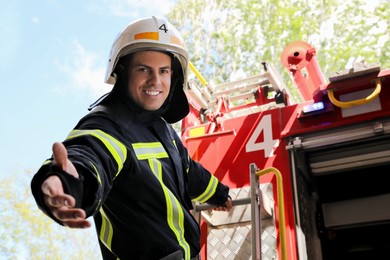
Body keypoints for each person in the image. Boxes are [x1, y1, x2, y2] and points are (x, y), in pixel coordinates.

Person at [30, 16, 233, 260]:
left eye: (164, 71)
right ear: (123, 72)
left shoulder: (162, 130)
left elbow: (189, 173)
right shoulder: (109, 124)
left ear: (174, 76)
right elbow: (89, 154)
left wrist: (220, 194)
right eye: (144, 69)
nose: (155, 81)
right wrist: (69, 182)